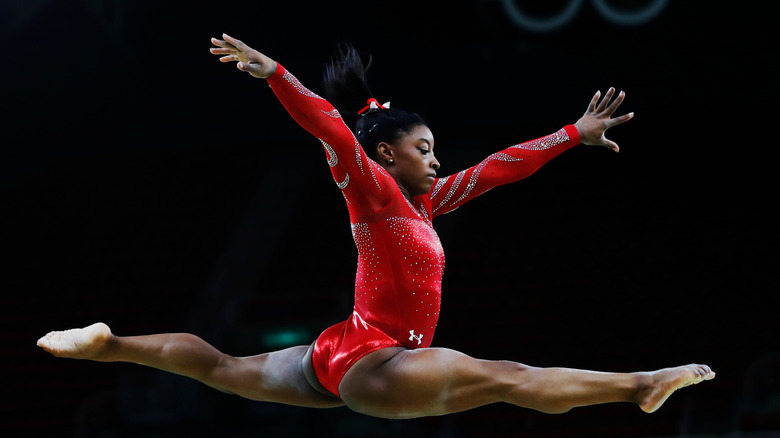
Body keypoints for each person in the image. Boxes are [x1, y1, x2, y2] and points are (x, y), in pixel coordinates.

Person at [37, 33, 714, 420]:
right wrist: (276, 74)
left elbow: (502, 166)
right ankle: (639, 383)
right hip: (376, 360)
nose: (437, 160)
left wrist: (573, 133)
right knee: (508, 376)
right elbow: (330, 127)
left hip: (337, 357)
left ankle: (106, 344)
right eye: (425, 149)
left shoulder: (425, 204)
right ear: (387, 154)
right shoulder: (375, 191)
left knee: (218, 365)